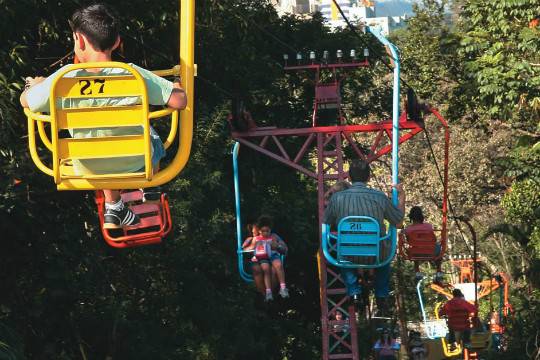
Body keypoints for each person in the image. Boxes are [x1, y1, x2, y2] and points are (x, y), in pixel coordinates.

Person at [19, 3, 187, 229]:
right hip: (137, 162)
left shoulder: (63, 79)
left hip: (87, 165)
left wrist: (34, 85)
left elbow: (26, 102)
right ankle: (149, 185)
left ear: (79, 40)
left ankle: (114, 206)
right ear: (117, 42)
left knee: (97, 135)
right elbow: (178, 100)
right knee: (150, 133)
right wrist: (177, 83)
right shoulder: (132, 74)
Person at [323, 159, 405, 316]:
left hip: (349, 254)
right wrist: (401, 196)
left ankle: (353, 290)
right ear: (368, 178)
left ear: (350, 177)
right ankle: (382, 295)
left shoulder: (337, 199)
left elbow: (326, 223)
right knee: (384, 255)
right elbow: (399, 222)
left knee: (343, 252)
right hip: (376, 255)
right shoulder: (379, 197)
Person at [402, 206, 443, 282]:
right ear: (421, 216)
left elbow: (409, 241)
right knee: (438, 247)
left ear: (411, 217)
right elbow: (434, 239)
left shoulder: (408, 229)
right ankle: (438, 270)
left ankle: (417, 271)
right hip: (431, 252)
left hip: (415, 253)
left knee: (414, 247)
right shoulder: (429, 226)